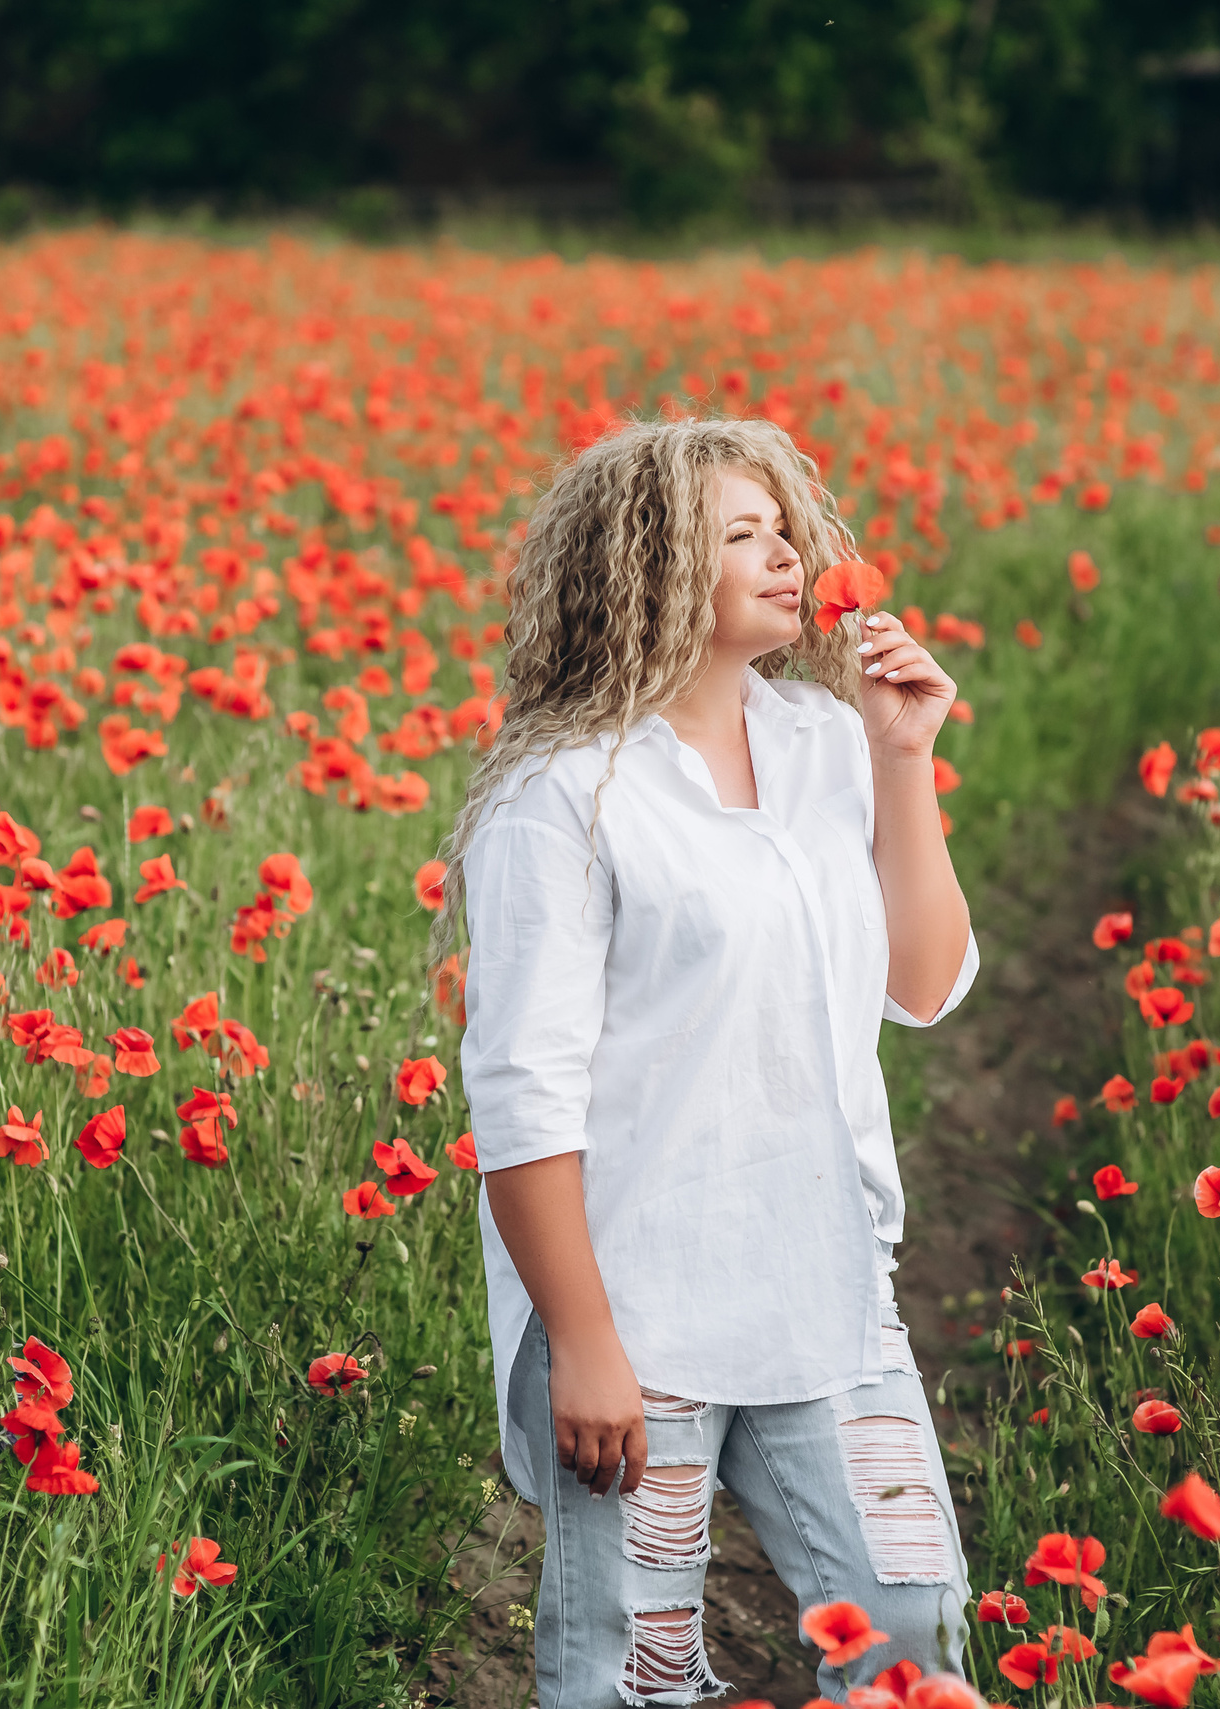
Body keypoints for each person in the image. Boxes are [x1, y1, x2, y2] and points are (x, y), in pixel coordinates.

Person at [428, 416, 980, 1708]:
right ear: (653, 567)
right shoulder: (564, 797)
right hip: (644, 1318)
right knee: (638, 1675)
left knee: (913, 1633)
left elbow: (923, 980)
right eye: (742, 535)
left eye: (785, 526)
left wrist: (907, 760)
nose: (787, 554)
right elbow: (520, 1096)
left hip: (833, 1295)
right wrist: (584, 1340)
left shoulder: (826, 744)